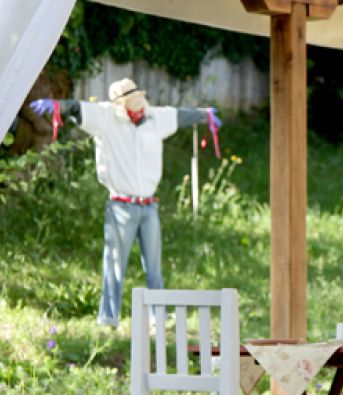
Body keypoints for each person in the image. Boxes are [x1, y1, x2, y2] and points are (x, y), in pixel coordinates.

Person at [29, 78, 223, 328]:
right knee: (114, 264)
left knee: (154, 266)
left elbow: (179, 115)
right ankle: (108, 318)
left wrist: (204, 115)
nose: (139, 103)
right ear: (121, 104)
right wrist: (58, 106)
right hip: (121, 205)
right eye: (133, 100)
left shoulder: (155, 118)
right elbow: (78, 108)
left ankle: (158, 316)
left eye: (139, 98)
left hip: (149, 207)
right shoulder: (106, 118)